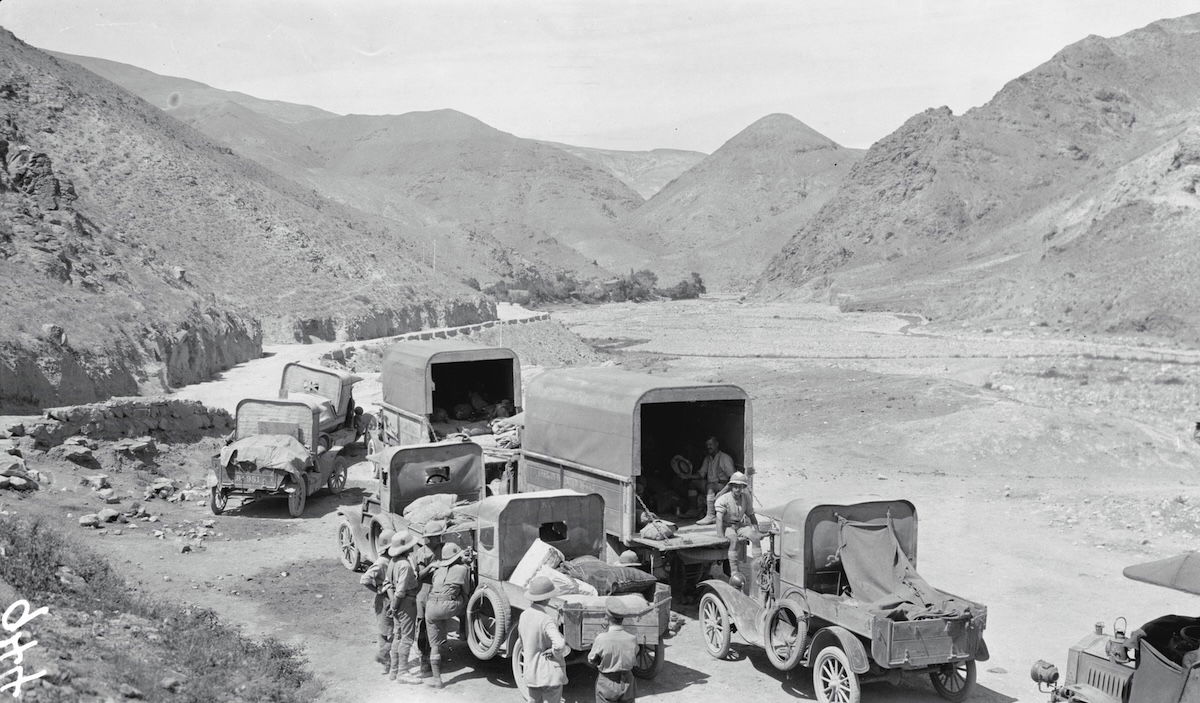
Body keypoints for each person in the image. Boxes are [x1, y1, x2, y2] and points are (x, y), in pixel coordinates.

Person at [518, 575, 570, 703]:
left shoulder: (524, 615)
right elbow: (559, 644)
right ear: (547, 598)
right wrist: (553, 652)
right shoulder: (546, 619)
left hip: (531, 673)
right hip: (549, 674)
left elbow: (523, 642)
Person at [425, 542, 470, 688]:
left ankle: (437, 680)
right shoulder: (463, 569)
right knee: (467, 602)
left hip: (431, 607)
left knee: (434, 645)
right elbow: (466, 590)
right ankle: (463, 632)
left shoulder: (437, 570)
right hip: (449, 606)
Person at [385, 530, 421, 684]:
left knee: (398, 636)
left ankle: (393, 671)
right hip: (406, 602)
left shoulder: (392, 562)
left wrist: (393, 605)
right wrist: (395, 606)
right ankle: (403, 672)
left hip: (398, 603)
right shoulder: (405, 565)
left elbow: (388, 584)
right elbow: (400, 591)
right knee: (407, 637)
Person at [588, 597, 639, 703]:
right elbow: (635, 657)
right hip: (627, 681)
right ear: (622, 619)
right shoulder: (632, 639)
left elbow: (591, 660)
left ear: (607, 617)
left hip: (607, 682)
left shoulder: (601, 638)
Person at [359, 528, 396, 673]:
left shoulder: (389, 560)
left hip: (385, 598)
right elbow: (365, 579)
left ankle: (386, 661)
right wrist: (378, 590)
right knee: (393, 630)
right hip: (386, 599)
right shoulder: (382, 562)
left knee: (384, 631)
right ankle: (384, 655)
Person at [713, 472, 761, 569]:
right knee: (733, 541)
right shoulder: (723, 499)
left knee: (755, 538)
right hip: (728, 527)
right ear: (731, 487)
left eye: (740, 487)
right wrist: (721, 536)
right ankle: (734, 570)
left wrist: (757, 531)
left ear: (743, 487)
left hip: (740, 526)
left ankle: (759, 567)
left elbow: (751, 515)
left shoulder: (745, 497)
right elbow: (719, 518)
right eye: (735, 486)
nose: (738, 489)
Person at [412, 534, 439, 683]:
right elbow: (419, 576)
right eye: (436, 537)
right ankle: (424, 658)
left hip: (436, 591)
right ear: (429, 538)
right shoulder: (422, 553)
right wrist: (431, 567)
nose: (439, 538)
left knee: (434, 625)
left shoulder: (440, 548)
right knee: (422, 626)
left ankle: (432, 654)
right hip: (424, 592)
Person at [695, 436, 736, 525]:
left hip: (723, 486)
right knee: (693, 484)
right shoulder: (708, 459)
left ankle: (711, 515)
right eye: (707, 445)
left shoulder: (725, 458)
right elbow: (701, 474)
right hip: (710, 485)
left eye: (711, 444)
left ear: (717, 444)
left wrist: (723, 491)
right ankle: (692, 510)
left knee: (710, 486)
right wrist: (688, 476)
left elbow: (733, 478)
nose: (708, 447)